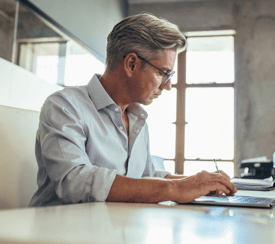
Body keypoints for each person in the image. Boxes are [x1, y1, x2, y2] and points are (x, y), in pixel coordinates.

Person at [29, 13, 237, 207]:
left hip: (116, 231)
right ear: (131, 64)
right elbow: (74, 181)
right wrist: (176, 188)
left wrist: (197, 183)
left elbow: (146, 176)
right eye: (163, 73)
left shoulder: (137, 118)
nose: (167, 86)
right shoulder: (64, 106)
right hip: (60, 234)